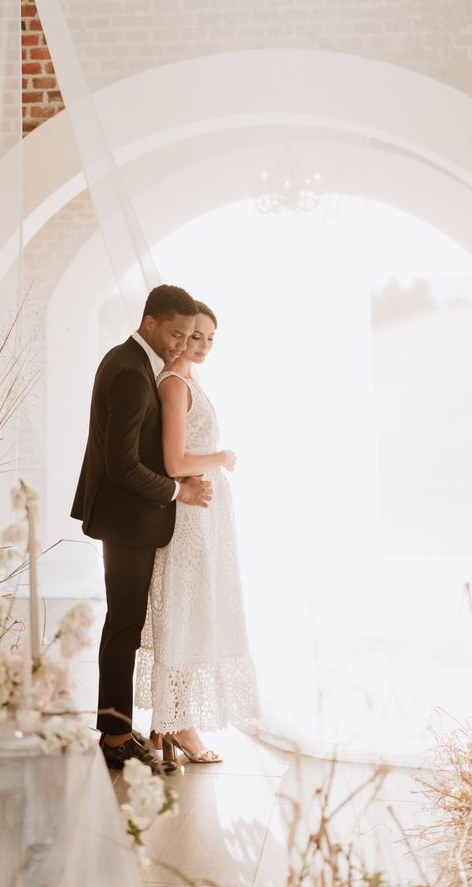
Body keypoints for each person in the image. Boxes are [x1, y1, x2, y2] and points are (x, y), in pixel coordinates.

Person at [71, 284, 212, 773]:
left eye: (189, 336)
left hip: (131, 517)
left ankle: (124, 729)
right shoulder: (131, 372)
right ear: (149, 321)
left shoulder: (133, 361)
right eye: (175, 333)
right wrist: (179, 492)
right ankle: (115, 736)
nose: (180, 343)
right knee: (123, 625)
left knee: (126, 624)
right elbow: (122, 466)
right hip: (127, 518)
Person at [136, 301, 260, 764]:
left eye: (210, 337)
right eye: (194, 336)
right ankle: (180, 724)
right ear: (179, 335)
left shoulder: (190, 378)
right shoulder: (173, 383)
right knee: (186, 615)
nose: (202, 345)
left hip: (207, 512)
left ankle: (166, 723)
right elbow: (175, 463)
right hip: (189, 513)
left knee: (195, 612)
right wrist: (222, 458)